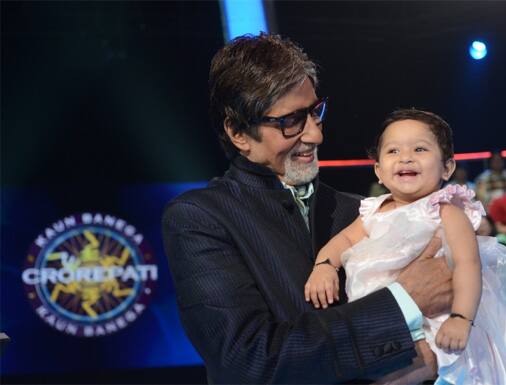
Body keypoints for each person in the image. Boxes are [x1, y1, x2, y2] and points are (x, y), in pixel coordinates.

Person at [162, 34, 453, 384]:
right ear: (239, 132)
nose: (315, 135)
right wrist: (403, 302)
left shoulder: (362, 211)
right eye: (291, 121)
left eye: (315, 112)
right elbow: (249, 362)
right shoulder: (200, 219)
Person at [304, 109, 506, 384]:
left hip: (436, 324)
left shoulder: (445, 212)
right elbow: (343, 241)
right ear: (378, 170)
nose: (405, 157)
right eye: (393, 151)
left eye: (420, 149)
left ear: (447, 167)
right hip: (379, 321)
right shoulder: (372, 211)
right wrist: (324, 265)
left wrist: (461, 317)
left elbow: (468, 265)